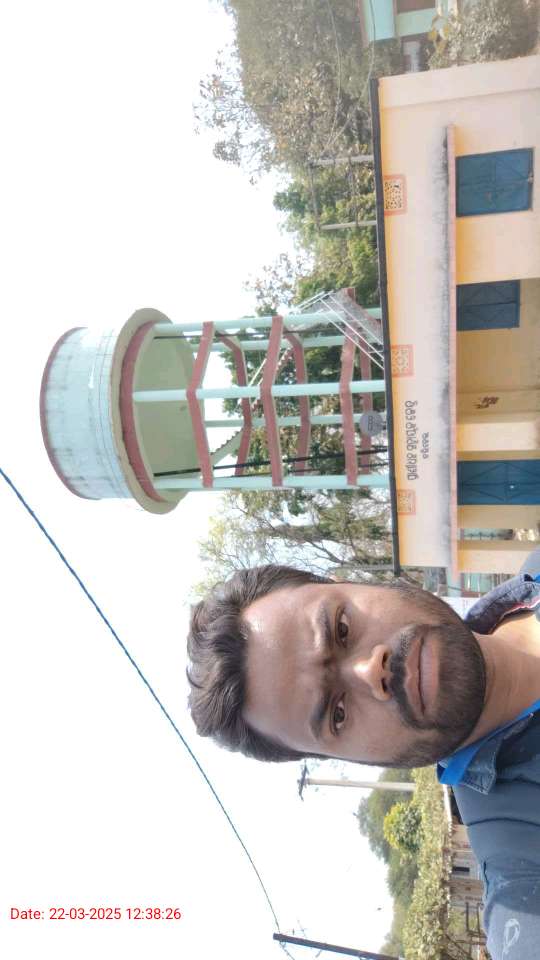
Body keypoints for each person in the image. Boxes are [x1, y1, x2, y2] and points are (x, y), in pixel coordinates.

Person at [187, 551, 540, 960]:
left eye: (341, 628)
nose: (370, 671)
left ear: (357, 583)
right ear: (355, 760)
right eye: (337, 714)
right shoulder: (521, 866)